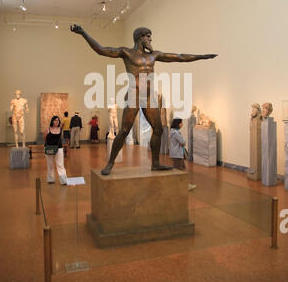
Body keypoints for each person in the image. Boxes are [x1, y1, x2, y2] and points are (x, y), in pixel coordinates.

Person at [71, 24, 217, 175]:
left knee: (158, 130)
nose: (150, 39)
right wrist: (83, 33)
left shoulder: (153, 55)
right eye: (148, 36)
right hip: (134, 95)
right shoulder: (126, 52)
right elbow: (101, 50)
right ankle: (110, 163)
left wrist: (202, 56)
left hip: (149, 97)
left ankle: (155, 163)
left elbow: (179, 57)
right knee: (124, 131)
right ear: (140, 37)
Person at [169, 118, 196, 190]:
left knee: (183, 170)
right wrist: (183, 142)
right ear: (178, 124)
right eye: (181, 123)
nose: (182, 124)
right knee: (178, 171)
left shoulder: (173, 132)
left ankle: (185, 184)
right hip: (177, 154)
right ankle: (177, 186)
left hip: (177, 154)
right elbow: (183, 142)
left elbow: (182, 143)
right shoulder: (175, 133)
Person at [44, 116, 68, 185]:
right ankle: (51, 179)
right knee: (50, 165)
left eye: (57, 120)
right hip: (49, 148)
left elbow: (61, 138)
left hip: (59, 148)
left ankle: (64, 180)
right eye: (55, 120)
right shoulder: (48, 129)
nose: (56, 121)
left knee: (60, 165)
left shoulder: (60, 129)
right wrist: (47, 146)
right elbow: (45, 138)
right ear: (52, 121)